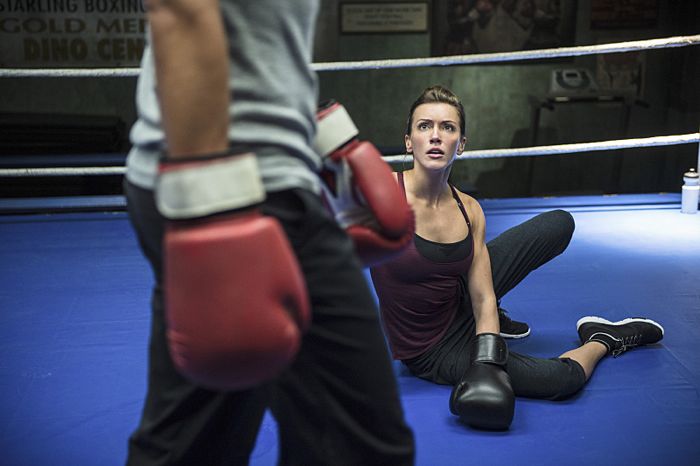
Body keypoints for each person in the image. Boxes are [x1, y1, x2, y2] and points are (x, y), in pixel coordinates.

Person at [123, 0, 414, 464]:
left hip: (252, 175)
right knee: (358, 443)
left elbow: (265, 42)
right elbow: (180, 9)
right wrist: (212, 207)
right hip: (237, 183)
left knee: (203, 436)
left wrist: (321, 141)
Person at [370, 85, 664, 430]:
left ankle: (494, 324)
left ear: (460, 144)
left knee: (559, 223)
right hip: (434, 349)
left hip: (460, 300)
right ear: (409, 142)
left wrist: (487, 353)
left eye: (447, 127)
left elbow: (482, 294)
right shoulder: (379, 197)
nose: (435, 136)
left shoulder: (468, 209)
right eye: (424, 126)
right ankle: (603, 339)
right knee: (562, 380)